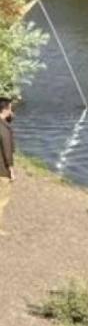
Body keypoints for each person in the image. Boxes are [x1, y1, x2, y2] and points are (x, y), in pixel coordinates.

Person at [0, 99, 14, 230]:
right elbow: (7, 149)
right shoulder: (4, 128)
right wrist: (11, 169)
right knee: (2, 200)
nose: (12, 111)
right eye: (10, 108)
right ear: (5, 110)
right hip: (2, 170)